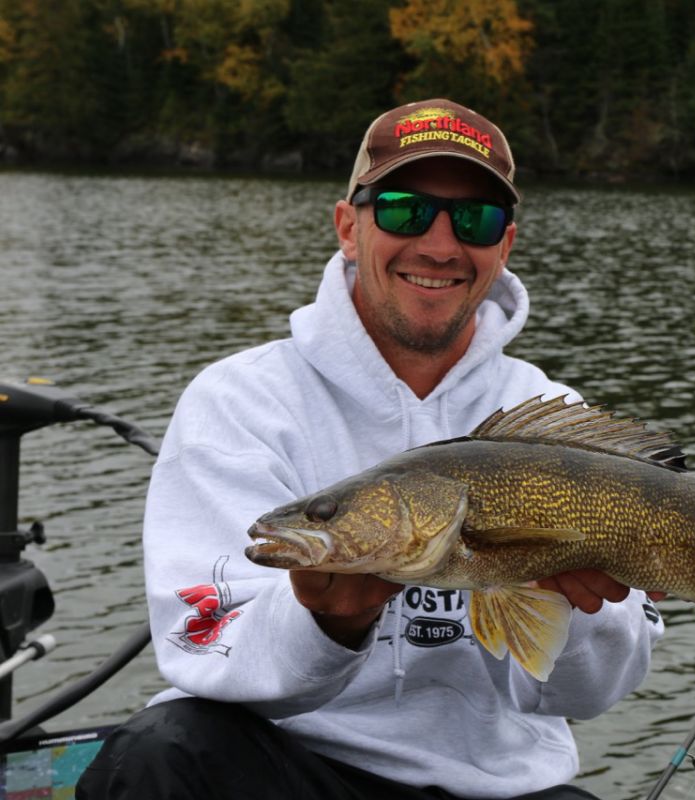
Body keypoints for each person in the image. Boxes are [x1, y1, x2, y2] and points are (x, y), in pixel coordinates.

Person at [78, 98, 664, 800]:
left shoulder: (556, 424)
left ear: (504, 246)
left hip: (496, 784)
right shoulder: (239, 402)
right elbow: (202, 643)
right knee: (160, 755)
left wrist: (577, 613)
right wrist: (327, 618)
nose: (441, 245)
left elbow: (590, 693)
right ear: (347, 227)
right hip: (288, 766)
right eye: (404, 210)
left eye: (474, 219)